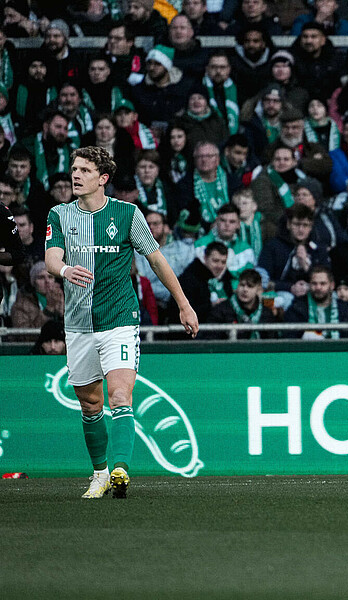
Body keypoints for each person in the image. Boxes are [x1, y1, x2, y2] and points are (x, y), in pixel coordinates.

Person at [44, 146, 198, 499]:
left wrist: (183, 305)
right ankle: (99, 473)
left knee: (119, 395)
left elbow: (156, 260)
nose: (75, 175)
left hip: (120, 320)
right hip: (79, 324)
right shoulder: (59, 215)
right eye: (73, 169)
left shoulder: (127, 214)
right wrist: (66, 269)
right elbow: (52, 259)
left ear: (103, 178)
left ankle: (119, 469)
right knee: (90, 404)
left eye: (84, 170)